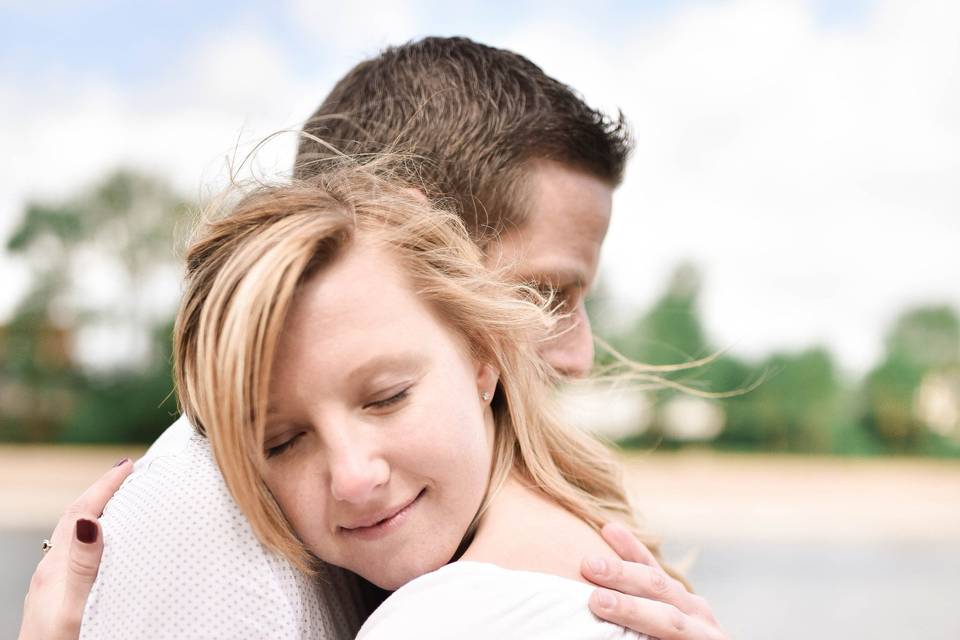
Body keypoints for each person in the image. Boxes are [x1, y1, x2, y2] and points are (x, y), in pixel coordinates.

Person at [19, 37, 726, 640]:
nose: (578, 356)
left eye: (386, 397)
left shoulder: (472, 599)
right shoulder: (210, 518)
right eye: (544, 296)